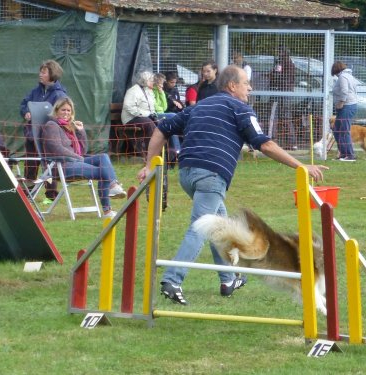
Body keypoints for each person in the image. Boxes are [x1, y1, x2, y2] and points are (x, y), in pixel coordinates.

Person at [137, 65, 328, 305]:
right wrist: (301, 167)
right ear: (232, 86)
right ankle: (172, 279)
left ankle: (228, 279)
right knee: (199, 227)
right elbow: (264, 144)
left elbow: (161, 129)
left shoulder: (199, 106)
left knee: (219, 227)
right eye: (246, 83)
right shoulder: (240, 108)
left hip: (187, 174)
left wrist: (149, 166)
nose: (250, 88)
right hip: (211, 174)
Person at [41, 97, 126, 218]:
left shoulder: (69, 127)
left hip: (75, 161)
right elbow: (57, 149)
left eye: (69, 111)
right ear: (57, 110)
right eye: (63, 110)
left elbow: (83, 150)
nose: (66, 113)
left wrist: (81, 131)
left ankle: (113, 186)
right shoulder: (51, 125)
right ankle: (109, 205)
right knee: (103, 171)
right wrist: (77, 157)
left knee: (103, 157)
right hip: (61, 165)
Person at [20, 60, 67, 203]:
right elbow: (23, 104)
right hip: (31, 135)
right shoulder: (35, 91)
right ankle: (27, 192)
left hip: (48, 137)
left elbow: (61, 113)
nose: (40, 74)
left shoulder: (60, 94)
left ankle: (51, 195)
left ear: (52, 74)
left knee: (49, 164)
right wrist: (26, 112)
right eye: (40, 71)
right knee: (30, 163)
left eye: (44, 72)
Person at [121, 71, 157, 159]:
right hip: (131, 118)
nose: (153, 82)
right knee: (149, 123)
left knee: (163, 122)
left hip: (144, 117)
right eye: (151, 80)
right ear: (145, 81)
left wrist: (152, 114)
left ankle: (167, 153)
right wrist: (141, 114)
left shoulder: (148, 91)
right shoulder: (134, 91)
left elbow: (151, 107)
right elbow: (128, 106)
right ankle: (151, 154)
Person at [269, 46, 297, 150]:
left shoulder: (285, 63)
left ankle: (289, 142)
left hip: (283, 92)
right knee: (278, 116)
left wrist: (274, 76)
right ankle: (276, 140)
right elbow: (276, 74)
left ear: (284, 52)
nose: (278, 53)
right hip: (281, 92)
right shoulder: (283, 62)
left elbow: (278, 75)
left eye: (279, 51)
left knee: (283, 117)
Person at [331, 60, 358, 161]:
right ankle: (343, 153)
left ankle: (350, 155)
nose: (335, 76)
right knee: (337, 129)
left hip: (347, 106)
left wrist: (341, 102)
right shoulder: (349, 76)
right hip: (350, 105)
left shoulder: (342, 77)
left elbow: (344, 91)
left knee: (344, 130)